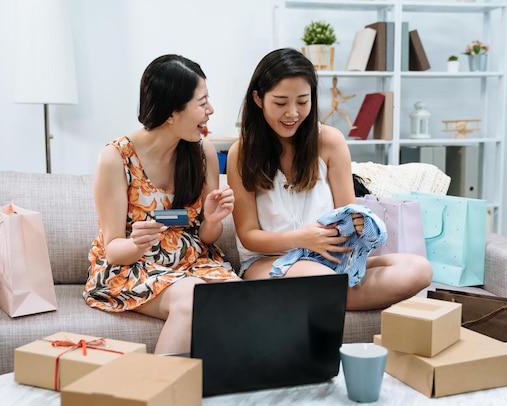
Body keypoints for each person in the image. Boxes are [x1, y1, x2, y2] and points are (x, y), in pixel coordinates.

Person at [227, 48, 432, 310]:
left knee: (418, 269)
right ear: (258, 98)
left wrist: (359, 223)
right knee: (321, 279)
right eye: (280, 103)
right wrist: (301, 238)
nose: (292, 113)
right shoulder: (242, 153)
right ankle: (327, 295)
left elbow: (348, 215)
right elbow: (248, 235)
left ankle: (321, 298)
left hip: (331, 259)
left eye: (302, 101)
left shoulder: (330, 141)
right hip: (268, 262)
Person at [84, 54, 240, 355]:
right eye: (202, 102)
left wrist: (211, 219)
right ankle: (158, 393)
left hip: (192, 262)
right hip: (131, 265)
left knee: (237, 299)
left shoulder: (202, 152)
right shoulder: (117, 158)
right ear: (172, 112)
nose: (211, 110)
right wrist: (138, 244)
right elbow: (114, 247)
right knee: (194, 298)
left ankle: (221, 393)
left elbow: (206, 238)